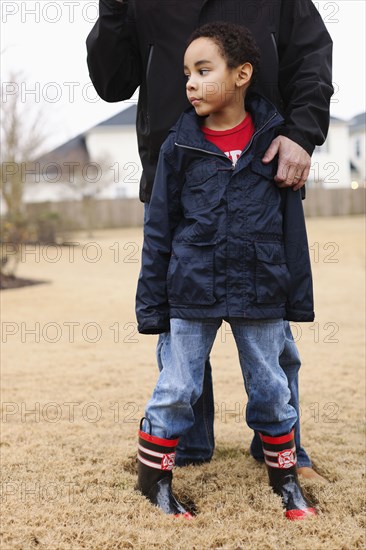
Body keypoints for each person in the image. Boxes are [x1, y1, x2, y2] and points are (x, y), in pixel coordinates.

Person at [86, 0, 333, 477]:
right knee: (183, 334)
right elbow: (111, 82)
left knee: (270, 334)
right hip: (174, 180)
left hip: (260, 177)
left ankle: (280, 449)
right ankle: (187, 447)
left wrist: (301, 134)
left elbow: (312, 56)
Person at [135, 22, 317, 520]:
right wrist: (153, 306)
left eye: (203, 70)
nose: (189, 82)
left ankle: (285, 484)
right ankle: (155, 484)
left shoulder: (274, 145)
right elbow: (159, 233)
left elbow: (291, 233)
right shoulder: (178, 148)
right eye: (186, 73)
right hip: (191, 292)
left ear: (242, 74)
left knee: (272, 390)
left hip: (261, 290)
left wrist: (296, 301)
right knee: (176, 388)